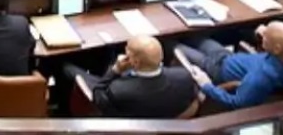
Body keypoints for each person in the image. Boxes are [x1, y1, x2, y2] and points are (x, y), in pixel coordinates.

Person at [178, 21, 283, 109]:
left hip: (216, 69)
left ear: (277, 49)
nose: (263, 33)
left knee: (175, 44)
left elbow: (236, 103)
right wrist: (268, 35)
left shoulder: (261, 77)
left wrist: (207, 85)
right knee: (197, 38)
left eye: (266, 36)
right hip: (228, 56)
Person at [66, 36, 197, 118]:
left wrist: (115, 70)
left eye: (127, 52)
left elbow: (98, 95)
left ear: (135, 62)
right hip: (164, 121)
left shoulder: (119, 90)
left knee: (67, 68)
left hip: (125, 120)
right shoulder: (184, 77)